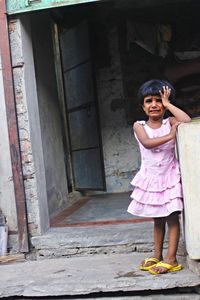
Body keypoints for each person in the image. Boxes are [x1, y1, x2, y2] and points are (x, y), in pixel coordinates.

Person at [127, 79, 191, 275]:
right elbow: (147, 143)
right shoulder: (139, 126)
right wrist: (171, 136)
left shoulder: (169, 122)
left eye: (159, 100)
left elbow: (187, 121)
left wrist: (169, 104)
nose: (154, 104)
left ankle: (171, 259)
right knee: (157, 219)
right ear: (142, 106)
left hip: (169, 178)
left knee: (172, 217)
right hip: (152, 179)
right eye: (149, 101)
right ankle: (158, 255)